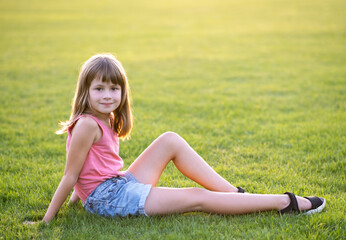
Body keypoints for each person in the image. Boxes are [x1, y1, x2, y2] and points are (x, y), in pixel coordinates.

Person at [41, 53, 325, 224]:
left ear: (122, 92)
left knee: (170, 140)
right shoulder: (87, 125)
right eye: (99, 88)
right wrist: (48, 221)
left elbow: (87, 175)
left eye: (114, 88)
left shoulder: (106, 118)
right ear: (85, 92)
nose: (107, 95)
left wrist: (84, 198)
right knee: (197, 197)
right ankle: (284, 203)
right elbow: (71, 176)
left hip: (114, 186)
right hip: (109, 198)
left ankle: (237, 197)